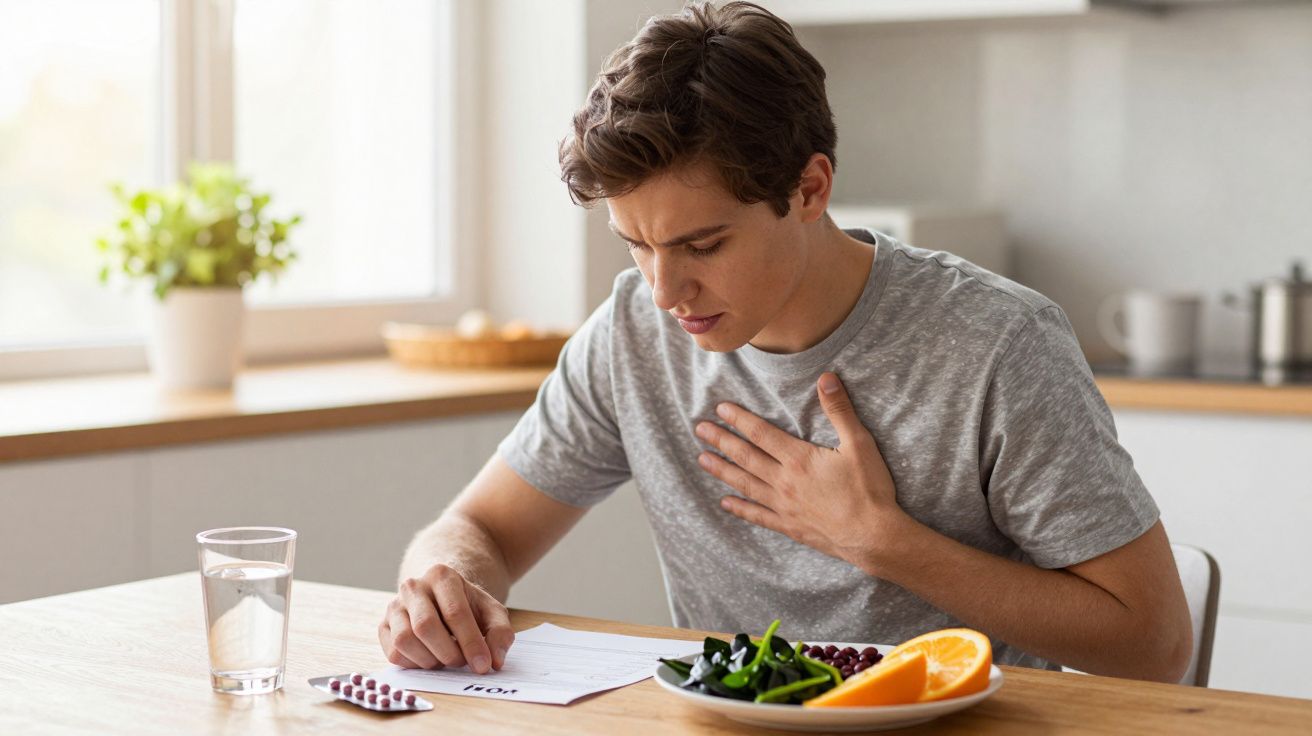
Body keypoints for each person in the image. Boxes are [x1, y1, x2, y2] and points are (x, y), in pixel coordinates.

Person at [378, 1, 1192, 682]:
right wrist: (442, 585)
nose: (665, 292)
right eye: (635, 243)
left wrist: (885, 544)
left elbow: (1154, 644)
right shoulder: (633, 330)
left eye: (703, 246)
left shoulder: (995, 344)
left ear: (809, 188)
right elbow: (479, 529)